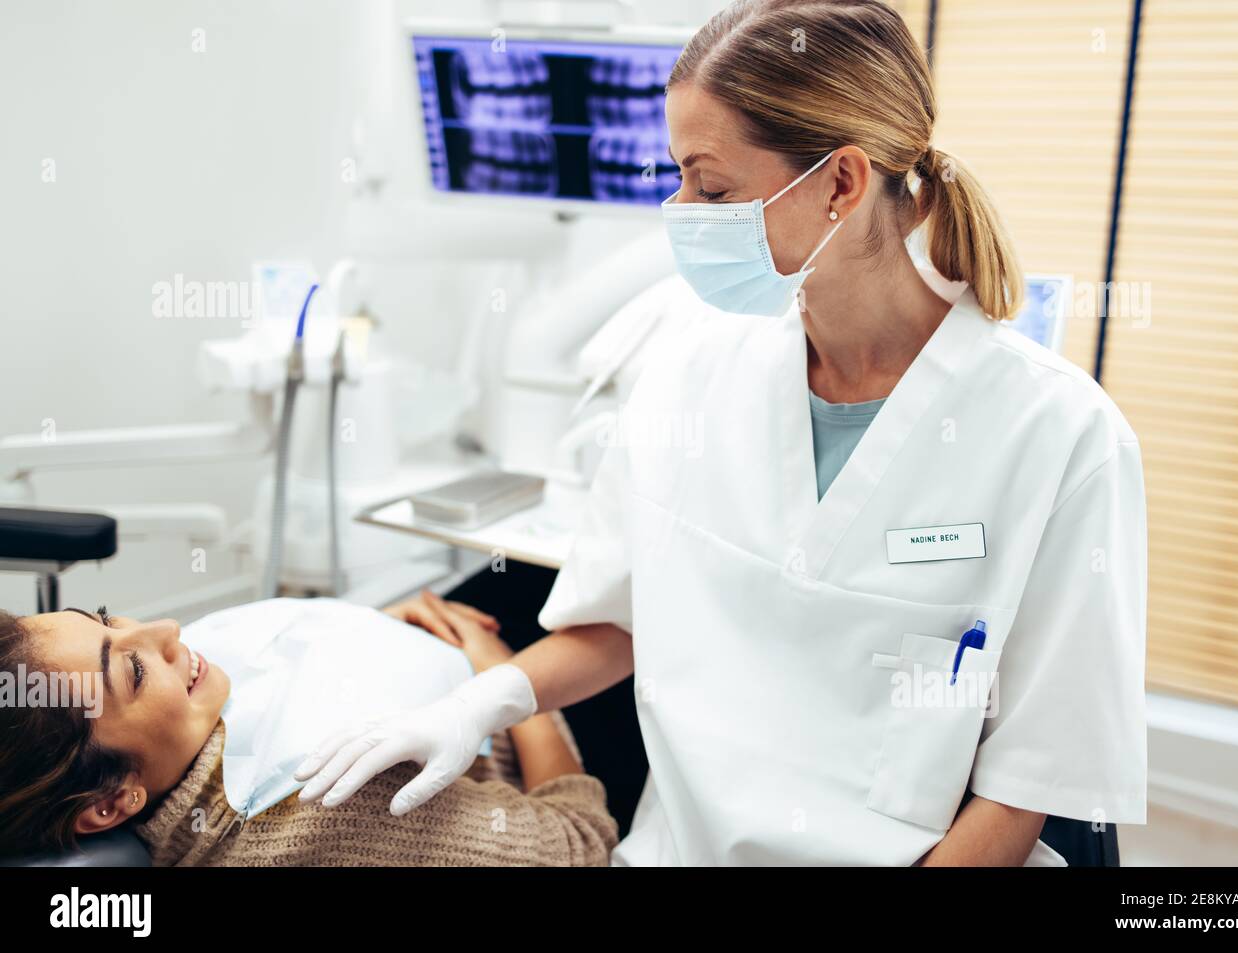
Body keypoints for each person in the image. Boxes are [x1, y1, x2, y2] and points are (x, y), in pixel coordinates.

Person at [296, 0, 1148, 866]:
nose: (683, 211)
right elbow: (618, 620)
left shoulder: (1062, 437)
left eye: (711, 186)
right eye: (678, 178)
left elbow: (1032, 779)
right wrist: (475, 705)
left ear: (841, 185)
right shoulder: (689, 368)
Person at [0, 593, 617, 866]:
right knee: (638, 608)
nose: (165, 629)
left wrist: (365, 630)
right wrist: (506, 678)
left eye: (107, 618)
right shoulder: (327, 800)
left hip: (454, 662)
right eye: (132, 669)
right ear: (112, 802)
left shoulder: (188, 713)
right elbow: (584, 842)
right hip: (548, 746)